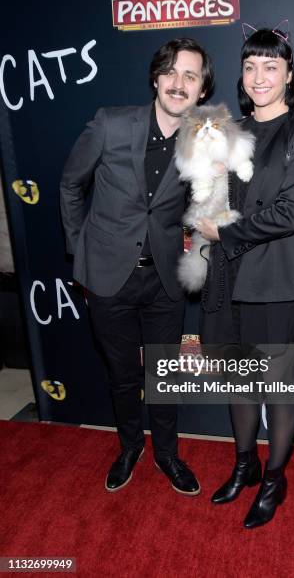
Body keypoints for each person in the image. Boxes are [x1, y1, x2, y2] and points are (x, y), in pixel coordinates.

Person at [60, 38, 214, 496]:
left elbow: (204, 209)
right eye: (171, 72)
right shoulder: (110, 123)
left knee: (163, 374)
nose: (178, 83)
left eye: (191, 75)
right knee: (122, 375)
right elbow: (71, 186)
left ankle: (167, 453)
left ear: (202, 89)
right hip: (108, 278)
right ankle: (130, 447)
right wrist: (80, 251)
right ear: (155, 77)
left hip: (164, 280)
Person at [197, 25, 294, 527]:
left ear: (289, 73)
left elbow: (292, 212)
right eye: (250, 66)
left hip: (275, 282)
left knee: (276, 389)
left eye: (271, 66)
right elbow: (208, 195)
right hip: (227, 278)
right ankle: (244, 465)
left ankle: (274, 479)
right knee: (238, 384)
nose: (259, 76)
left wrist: (222, 231)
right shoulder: (226, 131)